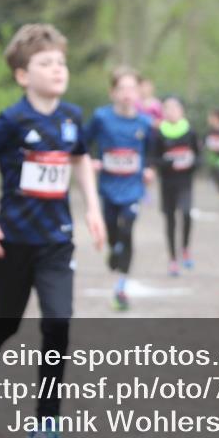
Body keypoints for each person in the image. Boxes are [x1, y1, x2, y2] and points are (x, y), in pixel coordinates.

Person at [0, 23, 105, 438]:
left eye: (61, 62)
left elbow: (80, 161)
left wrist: (93, 208)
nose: (57, 69)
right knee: (6, 320)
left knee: (58, 323)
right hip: (13, 242)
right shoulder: (13, 119)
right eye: (46, 63)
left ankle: (45, 425)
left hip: (57, 242)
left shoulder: (72, 117)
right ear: (23, 75)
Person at [84, 66, 156, 311]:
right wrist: (91, 160)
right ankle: (113, 249)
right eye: (122, 88)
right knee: (114, 231)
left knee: (128, 229)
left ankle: (121, 288)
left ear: (139, 92)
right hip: (108, 188)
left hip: (133, 188)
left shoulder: (145, 123)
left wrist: (149, 168)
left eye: (132, 88)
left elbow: (153, 152)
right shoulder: (101, 117)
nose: (127, 93)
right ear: (112, 92)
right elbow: (83, 143)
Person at [152, 96, 200, 276]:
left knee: (186, 214)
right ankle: (172, 258)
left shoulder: (190, 132)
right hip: (167, 183)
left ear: (182, 111)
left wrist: (191, 162)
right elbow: (153, 159)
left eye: (175, 108)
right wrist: (167, 162)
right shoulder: (159, 133)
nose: (171, 112)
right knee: (170, 219)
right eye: (167, 108)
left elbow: (199, 156)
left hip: (185, 182)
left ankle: (185, 249)